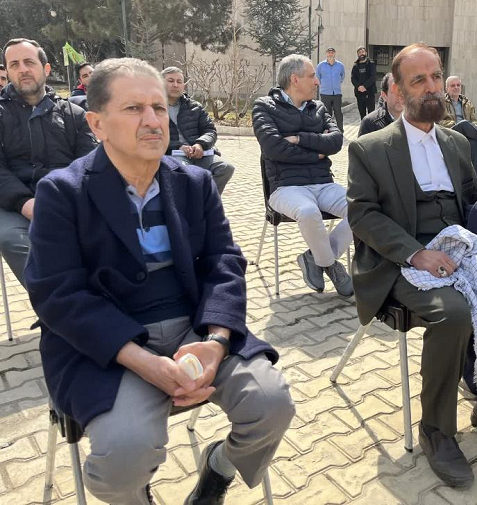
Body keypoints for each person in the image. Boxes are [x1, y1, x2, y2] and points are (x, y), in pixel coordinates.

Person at [25, 58, 295, 505]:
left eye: (158, 106)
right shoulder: (62, 192)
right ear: (97, 124)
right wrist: (143, 362)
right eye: (134, 109)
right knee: (124, 456)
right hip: (107, 346)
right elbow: (57, 294)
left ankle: (218, 468)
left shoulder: (194, 182)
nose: (153, 120)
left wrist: (216, 341)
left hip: (196, 326)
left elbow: (224, 261)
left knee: (272, 404)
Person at [348, 43, 477, 488]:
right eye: (418, 80)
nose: (432, 87)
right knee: (454, 314)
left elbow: (471, 195)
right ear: (398, 91)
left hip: (460, 248)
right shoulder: (370, 148)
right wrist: (416, 253)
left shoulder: (458, 143)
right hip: (401, 258)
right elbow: (362, 215)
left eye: (436, 76)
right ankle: (437, 430)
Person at [253, 54, 353, 296]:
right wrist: (317, 153)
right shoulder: (264, 107)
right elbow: (274, 148)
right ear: (295, 79)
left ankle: (314, 258)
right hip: (285, 187)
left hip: (324, 183)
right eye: (312, 76)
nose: (317, 82)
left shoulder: (318, 108)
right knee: (308, 212)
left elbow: (336, 141)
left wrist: (299, 139)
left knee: (365, 208)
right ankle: (330, 264)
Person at [0, 38, 96, 285]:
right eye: (14, 64)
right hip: (15, 205)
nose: (23, 69)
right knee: (13, 240)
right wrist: (25, 203)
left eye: (29, 62)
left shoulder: (75, 114)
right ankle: (57, 300)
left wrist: (66, 201)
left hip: (68, 200)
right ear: (7, 72)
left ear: (46, 68)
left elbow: (89, 164)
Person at [161, 67, 235, 195]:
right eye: (171, 81)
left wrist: (200, 144)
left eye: (179, 81)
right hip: (172, 154)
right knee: (185, 173)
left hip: (200, 153)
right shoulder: (153, 108)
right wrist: (178, 146)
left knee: (226, 168)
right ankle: (195, 203)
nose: (175, 85)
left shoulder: (195, 107)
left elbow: (210, 130)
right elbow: (153, 136)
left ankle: (206, 201)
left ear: (184, 85)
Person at [440, 75, 477, 175]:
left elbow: (474, 120)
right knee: (464, 124)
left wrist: (473, 125)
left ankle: (474, 178)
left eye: (458, 85)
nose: (456, 87)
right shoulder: (441, 102)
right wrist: (457, 124)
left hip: (466, 134)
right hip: (449, 132)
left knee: (474, 143)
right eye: (452, 85)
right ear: (447, 88)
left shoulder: (467, 102)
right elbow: (439, 121)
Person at [358, 72, 403, 137]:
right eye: (395, 92)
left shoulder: (417, 122)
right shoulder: (370, 124)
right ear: (384, 95)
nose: (400, 96)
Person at [316, 47, 345, 131]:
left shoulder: (340, 65)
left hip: (337, 93)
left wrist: (336, 83)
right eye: (329, 52)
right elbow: (318, 77)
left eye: (332, 52)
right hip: (325, 94)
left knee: (338, 113)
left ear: (335, 53)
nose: (330, 54)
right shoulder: (320, 65)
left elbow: (342, 77)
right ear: (326, 54)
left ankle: (340, 130)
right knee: (327, 114)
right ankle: (329, 130)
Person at [350, 46, 377, 118]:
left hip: (370, 92)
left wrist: (364, 86)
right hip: (359, 93)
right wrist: (359, 86)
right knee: (362, 113)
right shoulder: (355, 66)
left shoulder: (371, 64)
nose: (361, 54)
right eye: (359, 52)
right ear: (357, 54)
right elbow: (353, 78)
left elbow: (373, 77)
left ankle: (371, 125)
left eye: (362, 52)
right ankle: (363, 125)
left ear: (366, 53)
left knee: (371, 114)